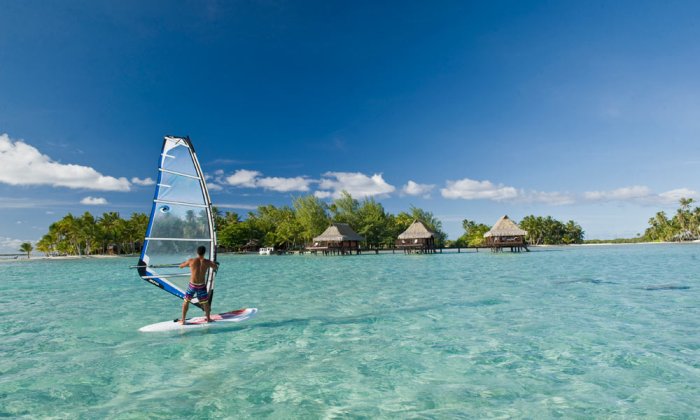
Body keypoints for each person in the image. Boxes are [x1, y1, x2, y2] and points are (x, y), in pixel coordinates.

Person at [179, 245, 218, 325]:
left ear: (197, 252)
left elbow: (181, 266)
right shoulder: (207, 262)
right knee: (205, 303)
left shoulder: (191, 261)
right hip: (201, 286)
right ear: (204, 253)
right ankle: (208, 319)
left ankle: (183, 320)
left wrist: (182, 264)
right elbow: (215, 267)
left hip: (192, 285)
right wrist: (214, 264)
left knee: (186, 301)